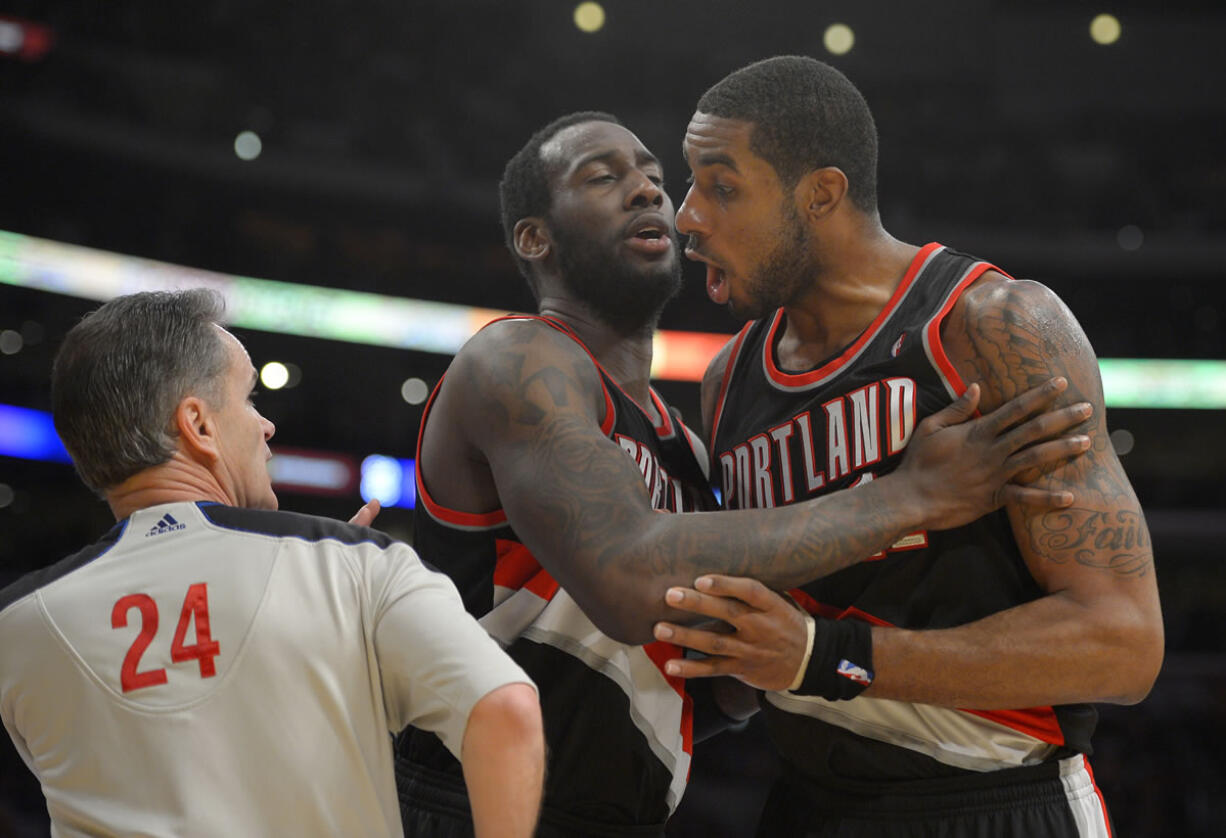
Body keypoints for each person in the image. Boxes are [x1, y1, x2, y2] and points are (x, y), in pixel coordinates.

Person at [394, 111, 1095, 837]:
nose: (646, 191)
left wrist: (794, 647)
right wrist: (910, 497)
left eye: (655, 179)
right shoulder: (514, 359)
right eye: (604, 177)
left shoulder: (692, 457)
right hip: (469, 808)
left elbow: (709, 687)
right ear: (534, 237)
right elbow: (631, 581)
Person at [652, 55, 1164, 837]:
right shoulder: (729, 380)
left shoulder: (993, 327)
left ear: (821, 193)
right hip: (806, 805)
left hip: (992, 803)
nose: (688, 216)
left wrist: (828, 657)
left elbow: (1123, 644)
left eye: (722, 186)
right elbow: (774, 638)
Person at [0, 290, 545, 838]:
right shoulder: (353, 568)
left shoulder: (15, 627)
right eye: (249, 399)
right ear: (199, 424)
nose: (267, 427)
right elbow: (508, 713)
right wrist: (330, 587)